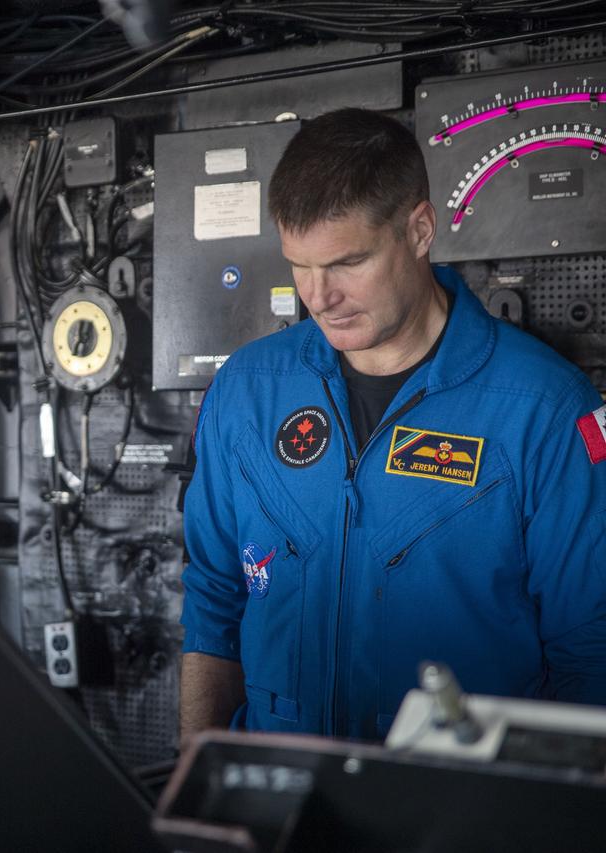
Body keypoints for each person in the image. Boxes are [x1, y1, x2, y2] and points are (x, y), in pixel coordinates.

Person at [179, 108, 606, 742]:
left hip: (456, 809)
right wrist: (200, 771)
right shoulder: (246, 390)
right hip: (283, 794)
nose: (318, 297)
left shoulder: (544, 410)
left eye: (347, 262)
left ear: (420, 229)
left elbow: (590, 653)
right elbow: (214, 601)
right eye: (300, 264)